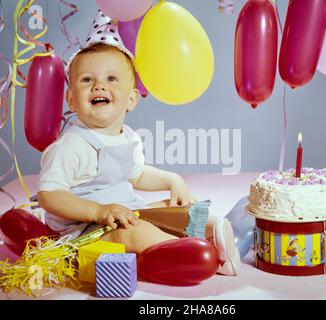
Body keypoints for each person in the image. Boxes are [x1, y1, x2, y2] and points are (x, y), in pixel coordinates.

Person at [37, 12, 240, 276]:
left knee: (178, 208)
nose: (99, 85)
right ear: (72, 100)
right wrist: (98, 211)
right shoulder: (71, 146)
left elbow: (137, 174)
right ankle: (184, 253)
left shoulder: (127, 137)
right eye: (87, 80)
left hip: (128, 212)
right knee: (135, 233)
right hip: (86, 230)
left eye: (111, 79)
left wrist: (172, 180)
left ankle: (217, 238)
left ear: (132, 99)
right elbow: (49, 195)